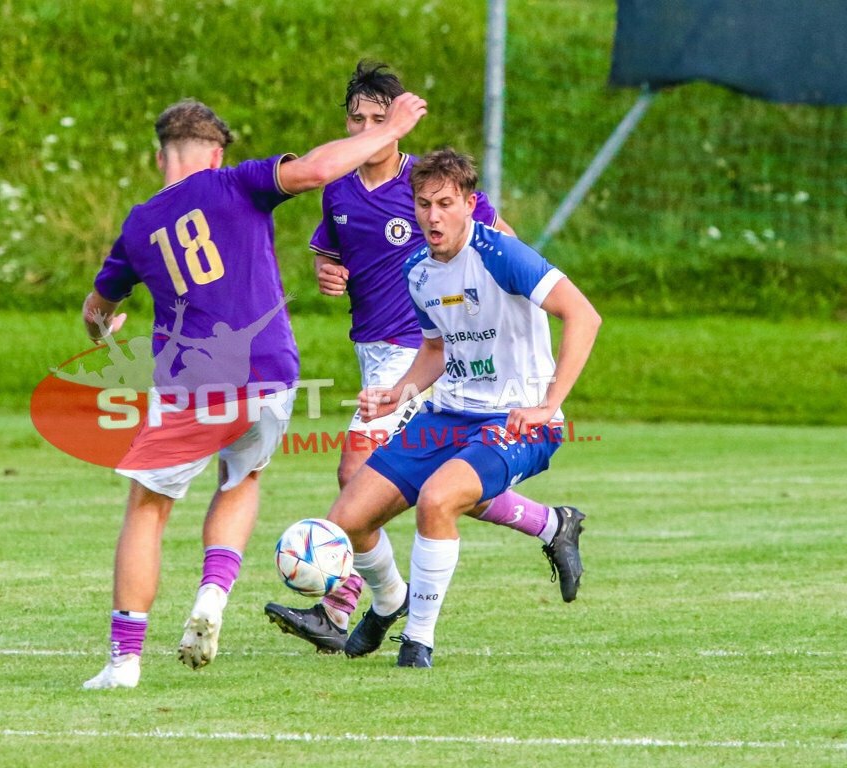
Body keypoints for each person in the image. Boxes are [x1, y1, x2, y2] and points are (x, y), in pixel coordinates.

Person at [81, 92, 427, 689]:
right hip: (269, 374)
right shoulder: (238, 182)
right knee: (240, 480)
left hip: (192, 382)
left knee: (149, 507)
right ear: (216, 153)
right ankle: (212, 600)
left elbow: (97, 308)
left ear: (161, 156)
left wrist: (103, 325)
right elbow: (319, 168)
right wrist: (390, 130)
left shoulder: (139, 225)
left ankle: (124, 660)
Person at [264, 61, 585, 655]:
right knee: (422, 489)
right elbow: (338, 253)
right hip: (393, 355)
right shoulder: (342, 187)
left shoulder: (437, 192)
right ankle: (550, 523)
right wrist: (327, 270)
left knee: (383, 481)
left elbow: (517, 264)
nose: (432, 216)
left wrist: (544, 389)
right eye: (355, 119)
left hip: (432, 361)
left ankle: (359, 611)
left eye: (378, 120)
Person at [325, 148, 601, 667]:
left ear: (471, 204)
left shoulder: (502, 255)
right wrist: (400, 392)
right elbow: (435, 350)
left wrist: (549, 405)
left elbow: (583, 316)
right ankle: (389, 604)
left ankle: (418, 642)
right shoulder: (418, 271)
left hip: (518, 422)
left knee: (437, 499)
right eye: (424, 203)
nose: (433, 215)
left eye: (446, 203)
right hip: (447, 416)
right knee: (349, 520)